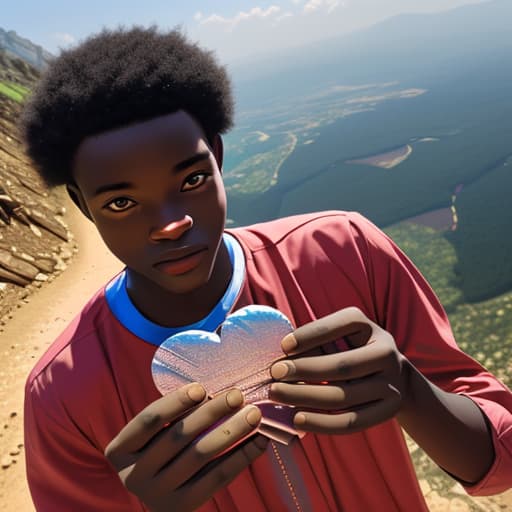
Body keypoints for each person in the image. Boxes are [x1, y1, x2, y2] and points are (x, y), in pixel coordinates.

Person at [21, 26, 512, 512]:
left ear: (217, 156)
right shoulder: (63, 394)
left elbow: (500, 457)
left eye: (192, 178)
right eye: (122, 202)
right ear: (82, 206)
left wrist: (411, 391)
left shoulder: (345, 252)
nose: (171, 224)